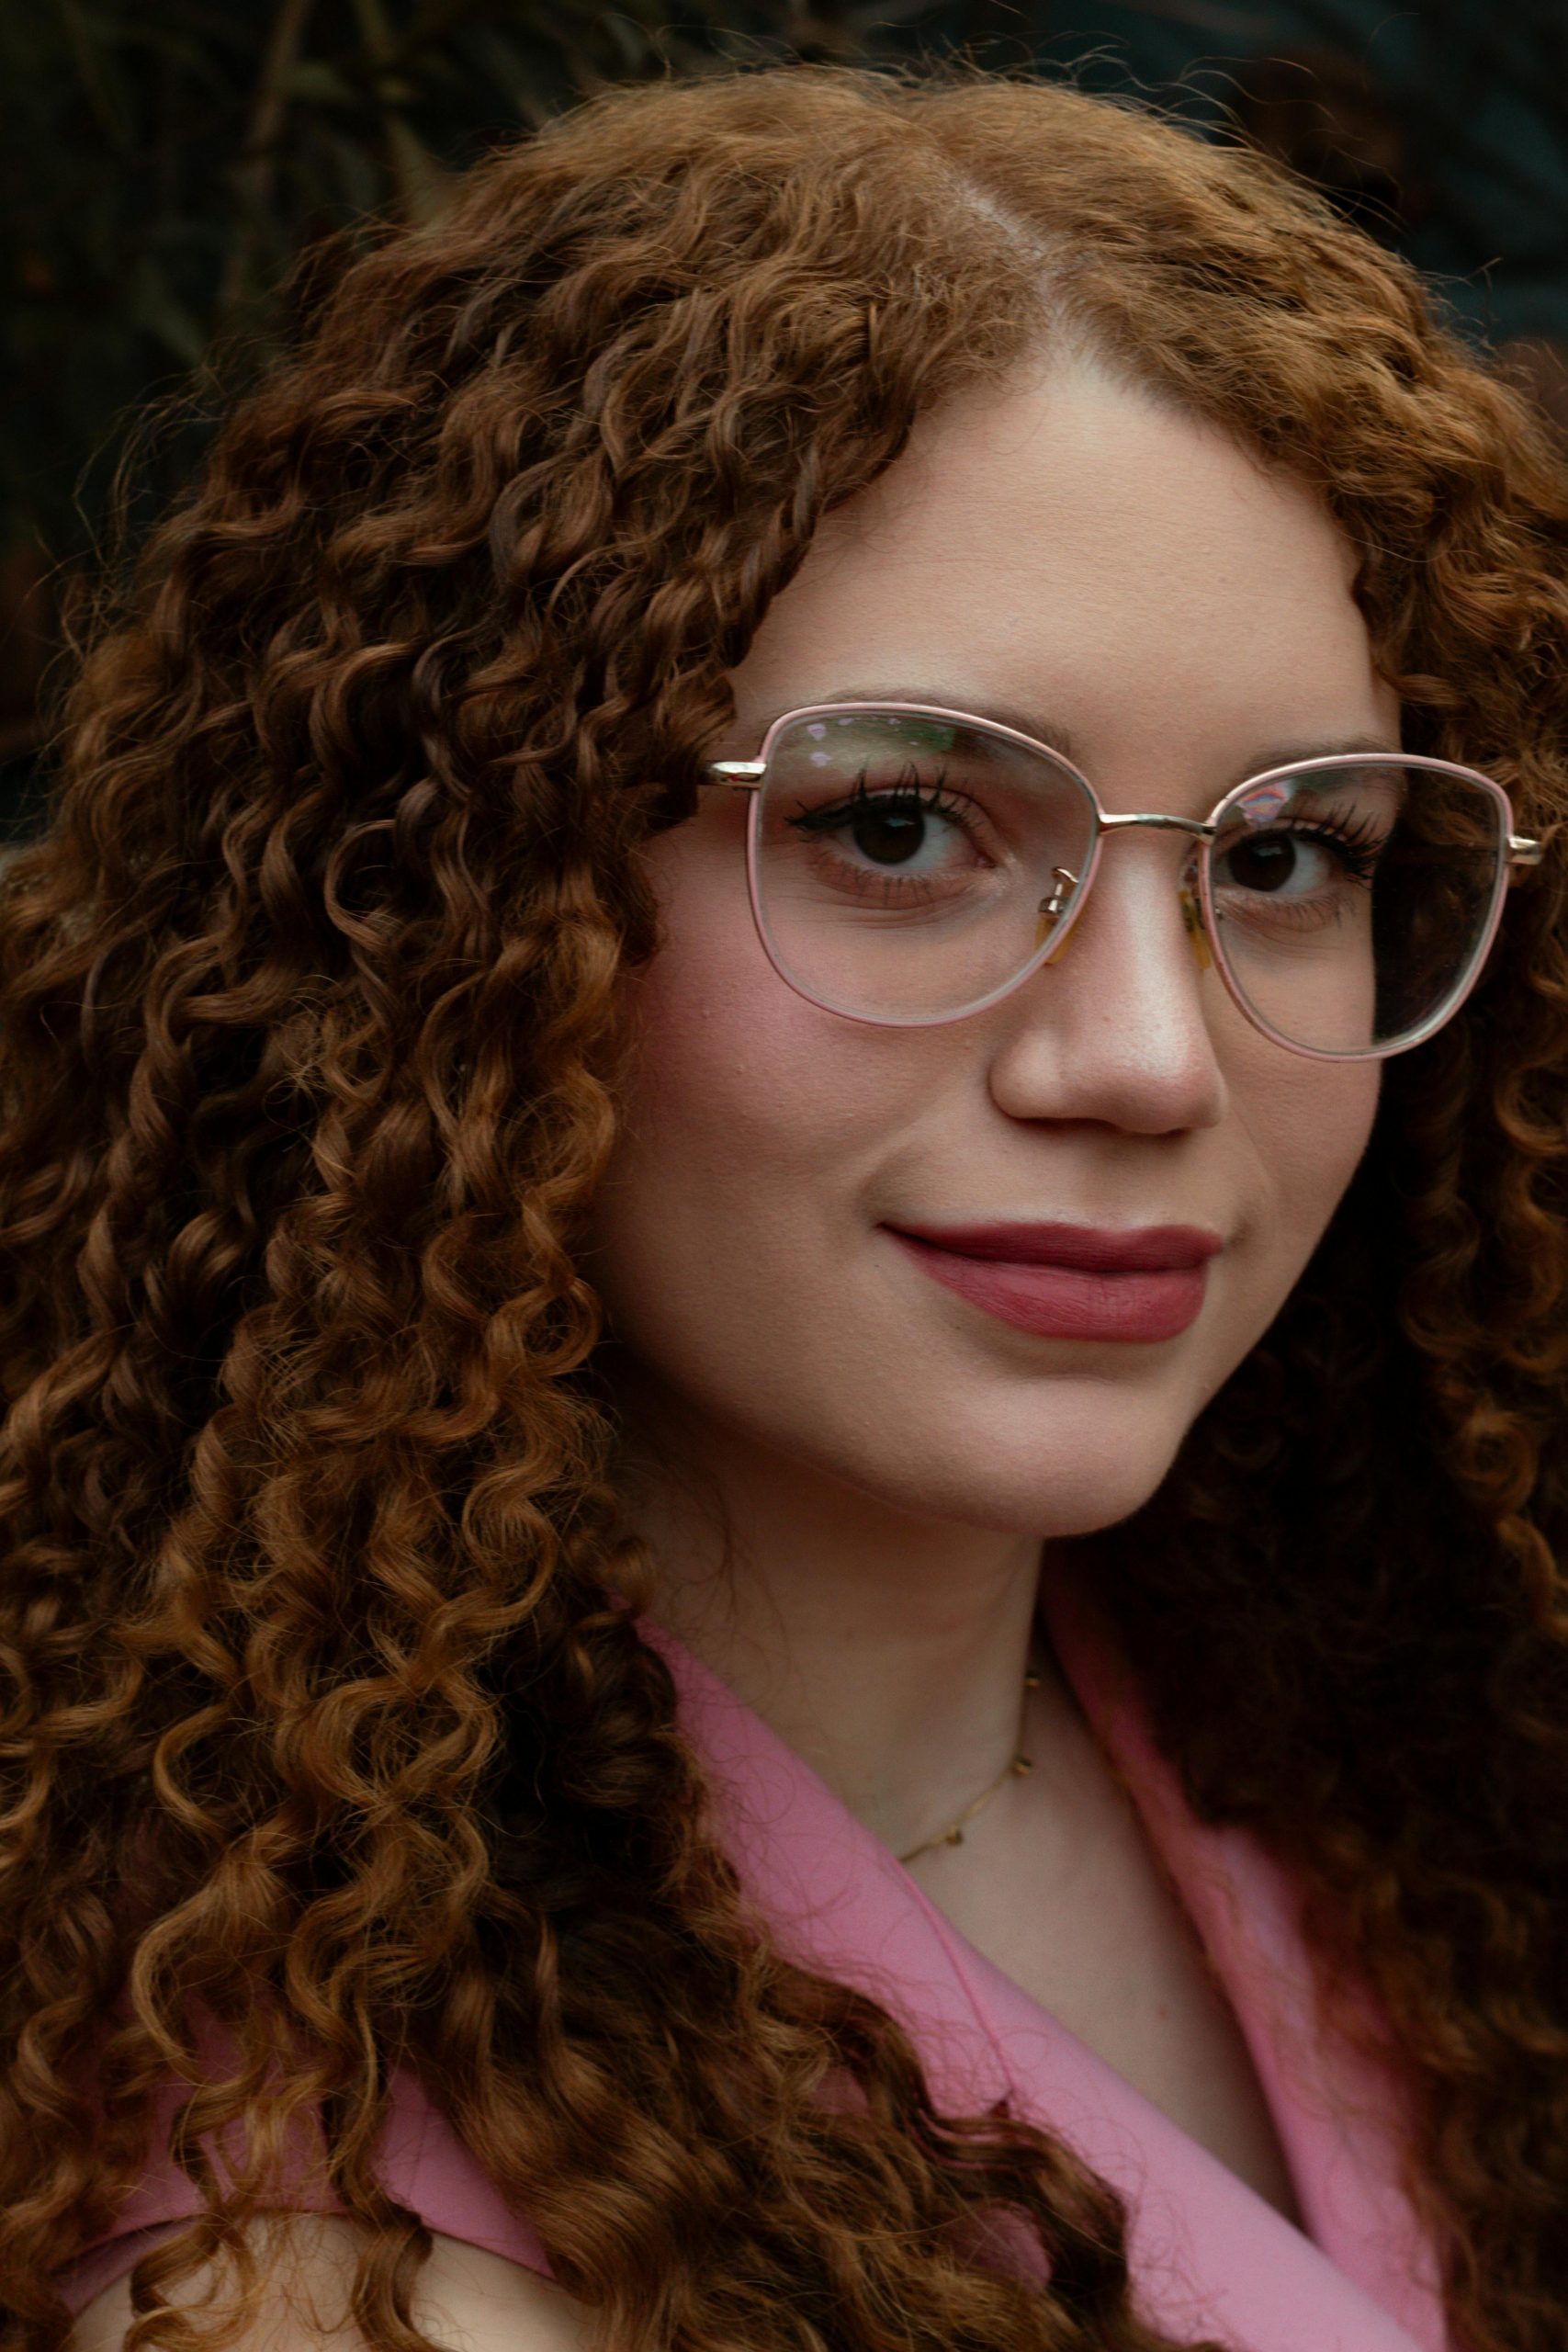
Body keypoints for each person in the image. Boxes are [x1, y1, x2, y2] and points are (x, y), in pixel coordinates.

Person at [3, 59, 1565, 2352]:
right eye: (902, 827)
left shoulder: (1381, 1730)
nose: (1144, 1054)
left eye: (1279, 854)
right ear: (459, 907)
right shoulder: (318, 2273)